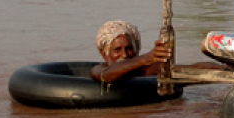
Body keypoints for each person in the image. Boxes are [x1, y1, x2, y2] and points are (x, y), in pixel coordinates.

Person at [91, 20, 224, 83]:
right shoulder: (98, 69)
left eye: (129, 48)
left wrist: (227, 69)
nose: (125, 55)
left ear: (136, 49)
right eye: (117, 50)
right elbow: (106, 77)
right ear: (104, 54)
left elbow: (192, 69)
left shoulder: (145, 71)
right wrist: (146, 58)